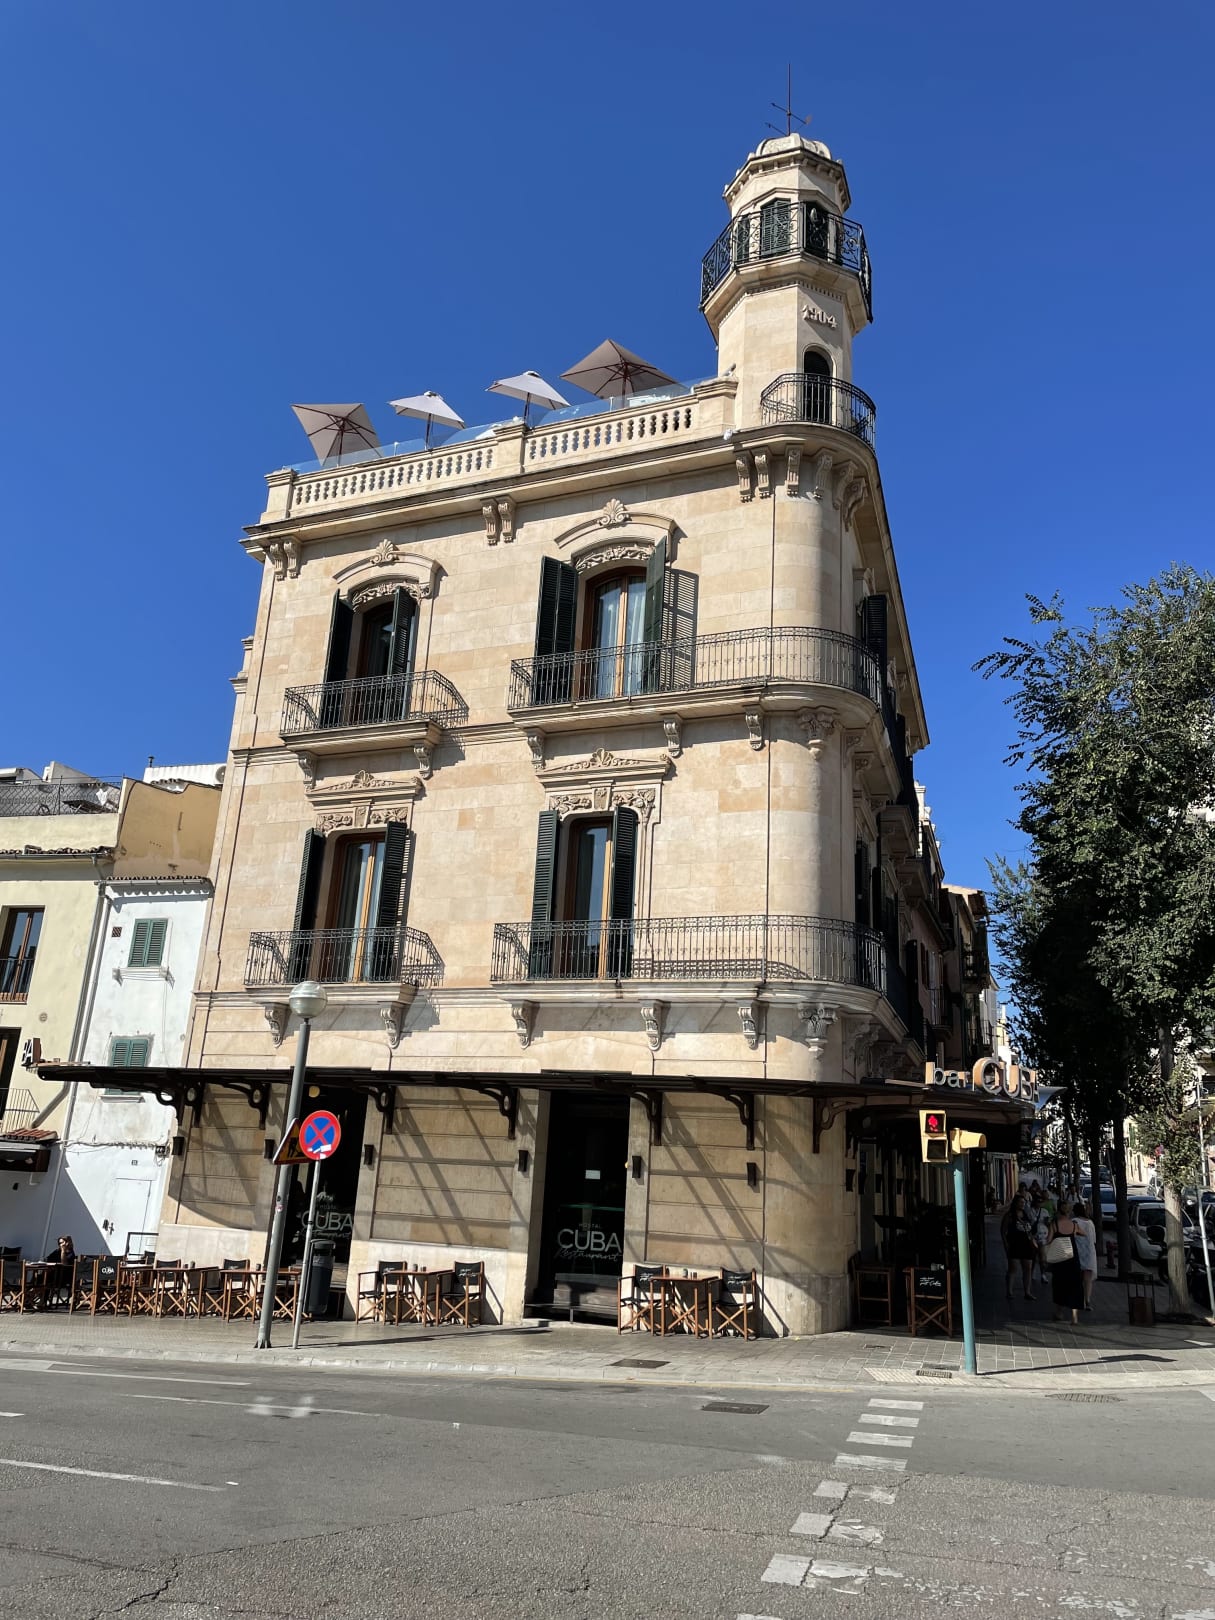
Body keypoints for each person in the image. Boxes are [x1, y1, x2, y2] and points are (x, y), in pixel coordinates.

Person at [1046, 1198, 1084, 1325]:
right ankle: (1074, 1317)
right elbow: (1083, 1233)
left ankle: (1059, 1313)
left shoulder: (1054, 1224)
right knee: (1075, 1285)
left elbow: (1048, 1240)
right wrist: (1075, 1233)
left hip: (1060, 1258)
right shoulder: (1074, 1225)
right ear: (1069, 1212)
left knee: (1060, 1284)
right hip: (1072, 1258)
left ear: (1058, 1210)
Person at [1001, 1192, 1037, 1300]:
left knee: (1028, 1268)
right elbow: (1003, 1231)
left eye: (1024, 1202)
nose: (1022, 1204)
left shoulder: (1026, 1215)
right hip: (1014, 1245)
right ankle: (1009, 1291)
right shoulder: (1009, 1216)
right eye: (1020, 1202)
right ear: (1015, 1203)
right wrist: (1006, 1245)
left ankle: (1027, 1292)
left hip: (1027, 1245)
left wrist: (1033, 1241)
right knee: (1013, 1268)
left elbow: (1031, 1230)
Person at [1072, 1199, 1097, 1311]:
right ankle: (1087, 1301)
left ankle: (1078, 1299)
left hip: (1077, 1251)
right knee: (1088, 1279)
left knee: (1077, 1277)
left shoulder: (1074, 1221)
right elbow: (1094, 1240)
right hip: (1089, 1252)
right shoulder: (1090, 1223)